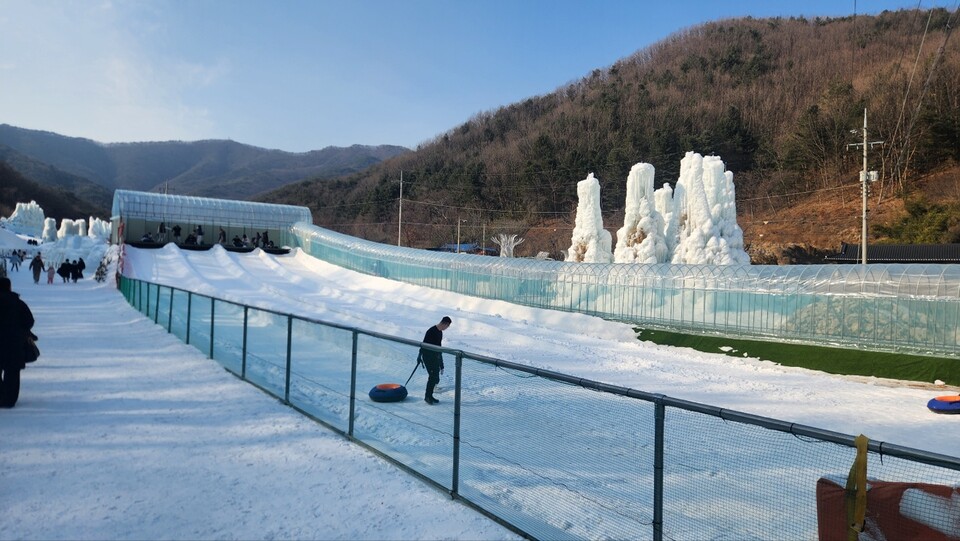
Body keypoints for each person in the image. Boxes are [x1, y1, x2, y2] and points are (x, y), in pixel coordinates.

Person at [0, 276, 35, 408]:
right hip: (13, 342)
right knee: (12, 372)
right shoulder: (18, 303)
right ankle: (9, 400)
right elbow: (29, 321)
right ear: (9, 287)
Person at [420, 316, 452, 405]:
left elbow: (439, 348)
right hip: (427, 357)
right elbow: (424, 346)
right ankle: (427, 396)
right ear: (444, 324)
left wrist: (440, 362)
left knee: (434, 376)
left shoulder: (440, 333)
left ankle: (430, 395)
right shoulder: (431, 331)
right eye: (447, 326)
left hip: (435, 357)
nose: (447, 328)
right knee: (432, 376)